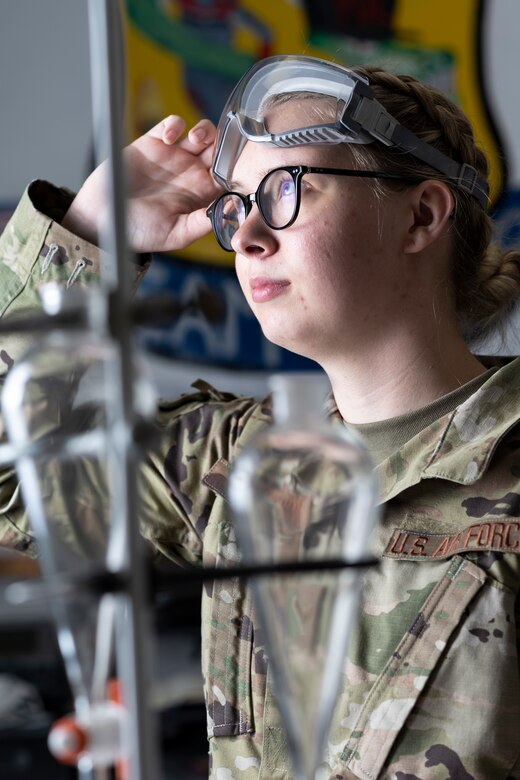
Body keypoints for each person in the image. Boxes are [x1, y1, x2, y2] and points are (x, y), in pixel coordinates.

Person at [1, 54, 520, 779]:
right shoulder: (235, 464)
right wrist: (89, 235)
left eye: (285, 190)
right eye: (235, 206)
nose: (245, 238)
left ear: (421, 215)